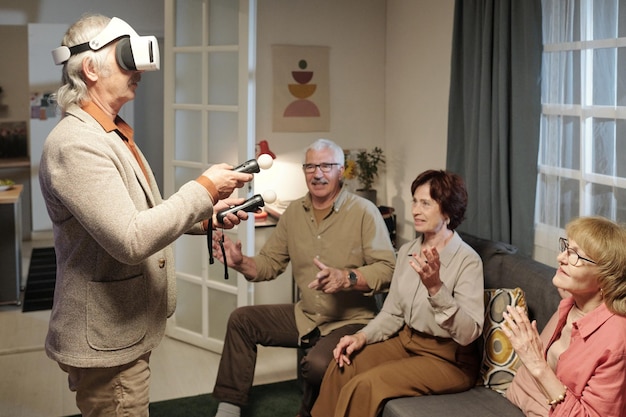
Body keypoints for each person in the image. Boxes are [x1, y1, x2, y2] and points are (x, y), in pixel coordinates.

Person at [40, 14, 253, 417]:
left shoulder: (110, 132)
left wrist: (205, 216)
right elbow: (131, 238)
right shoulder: (76, 145)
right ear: (90, 68)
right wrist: (204, 188)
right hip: (107, 340)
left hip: (122, 333)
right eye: (126, 59)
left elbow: (138, 214)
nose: (138, 71)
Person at [210, 138, 396, 417]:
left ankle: (307, 411)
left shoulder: (363, 212)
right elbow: (270, 264)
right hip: (305, 316)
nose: (317, 173)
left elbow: (388, 269)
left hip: (352, 321)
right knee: (242, 320)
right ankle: (229, 408)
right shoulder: (294, 212)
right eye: (310, 166)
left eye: (326, 166)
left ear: (341, 170)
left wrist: (348, 278)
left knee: (318, 364)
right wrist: (240, 262)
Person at [311, 169, 484, 417]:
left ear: (447, 211)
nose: (415, 210)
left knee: (366, 385)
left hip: (449, 359)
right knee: (344, 364)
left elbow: (469, 334)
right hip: (406, 341)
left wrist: (436, 289)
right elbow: (392, 312)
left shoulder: (468, 261)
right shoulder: (407, 251)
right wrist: (362, 336)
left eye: (425, 203)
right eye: (414, 200)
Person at [503, 216, 626, 417]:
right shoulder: (573, 301)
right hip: (516, 401)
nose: (561, 258)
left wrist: (537, 365)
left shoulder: (616, 340)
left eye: (576, 256)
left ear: (606, 278)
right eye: (567, 248)